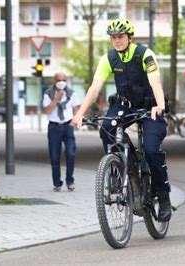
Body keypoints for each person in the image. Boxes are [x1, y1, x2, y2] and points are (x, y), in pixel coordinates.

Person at [72, 18, 172, 222]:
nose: (116, 40)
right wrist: (80, 113)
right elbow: (95, 87)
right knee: (106, 129)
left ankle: (162, 195)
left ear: (130, 37)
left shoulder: (145, 55)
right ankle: (121, 168)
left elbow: (155, 82)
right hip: (124, 105)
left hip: (149, 106)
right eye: (113, 37)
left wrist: (160, 105)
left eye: (120, 36)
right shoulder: (108, 58)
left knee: (152, 150)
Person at [43, 72, 80, 192]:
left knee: (71, 153)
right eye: (59, 80)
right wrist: (56, 98)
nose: (61, 82)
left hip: (67, 126)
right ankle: (57, 183)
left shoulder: (72, 93)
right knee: (54, 156)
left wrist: (74, 122)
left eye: (64, 80)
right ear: (54, 81)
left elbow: (76, 109)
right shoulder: (48, 93)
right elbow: (47, 110)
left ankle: (70, 180)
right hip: (54, 127)